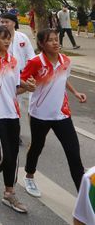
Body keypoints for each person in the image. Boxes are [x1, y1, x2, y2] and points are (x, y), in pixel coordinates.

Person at [20, 28, 87, 197]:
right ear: (42, 44)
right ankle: (29, 175)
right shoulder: (35, 62)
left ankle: (83, 198)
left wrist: (75, 93)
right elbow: (21, 81)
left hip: (61, 114)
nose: (55, 42)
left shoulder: (65, 60)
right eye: (50, 40)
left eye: (56, 39)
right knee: (37, 146)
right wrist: (27, 85)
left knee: (73, 152)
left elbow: (63, 78)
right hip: (39, 114)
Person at [0, 26, 34, 213]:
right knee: (3, 155)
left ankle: (9, 193)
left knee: (14, 155)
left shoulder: (13, 60)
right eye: (3, 38)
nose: (7, 41)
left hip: (12, 112)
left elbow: (15, 87)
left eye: (9, 38)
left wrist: (27, 87)